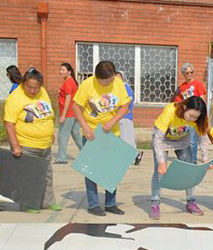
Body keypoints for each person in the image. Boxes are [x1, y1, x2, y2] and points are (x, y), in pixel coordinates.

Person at [70, 61, 132, 216]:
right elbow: (76, 106)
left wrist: (112, 121)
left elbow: (125, 106)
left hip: (112, 132)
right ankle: (93, 204)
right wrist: (85, 126)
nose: (110, 83)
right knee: (91, 170)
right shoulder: (87, 85)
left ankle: (111, 203)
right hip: (91, 133)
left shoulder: (117, 83)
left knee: (112, 170)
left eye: (111, 79)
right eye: (106, 81)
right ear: (97, 78)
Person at [147, 95, 211, 218]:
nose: (192, 119)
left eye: (196, 117)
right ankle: (155, 203)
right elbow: (158, 139)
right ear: (185, 107)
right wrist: (161, 161)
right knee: (160, 172)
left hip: (182, 141)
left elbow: (203, 138)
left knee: (189, 170)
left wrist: (205, 158)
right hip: (163, 140)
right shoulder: (170, 111)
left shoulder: (198, 119)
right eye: (190, 116)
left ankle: (191, 201)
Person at [4, 68, 56, 212]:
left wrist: (50, 133)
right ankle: (27, 204)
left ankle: (48, 202)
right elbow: (9, 123)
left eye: (36, 88)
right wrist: (15, 146)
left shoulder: (43, 92)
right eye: (30, 87)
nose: (33, 91)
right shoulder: (15, 97)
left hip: (45, 145)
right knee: (28, 176)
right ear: (23, 83)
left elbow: (48, 113)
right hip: (26, 144)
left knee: (47, 175)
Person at [53, 63, 78, 166]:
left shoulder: (68, 82)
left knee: (62, 136)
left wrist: (63, 115)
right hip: (74, 113)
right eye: (60, 70)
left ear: (69, 72)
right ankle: (88, 152)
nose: (60, 72)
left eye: (63, 70)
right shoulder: (71, 82)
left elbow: (68, 99)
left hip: (68, 114)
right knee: (77, 135)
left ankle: (62, 158)